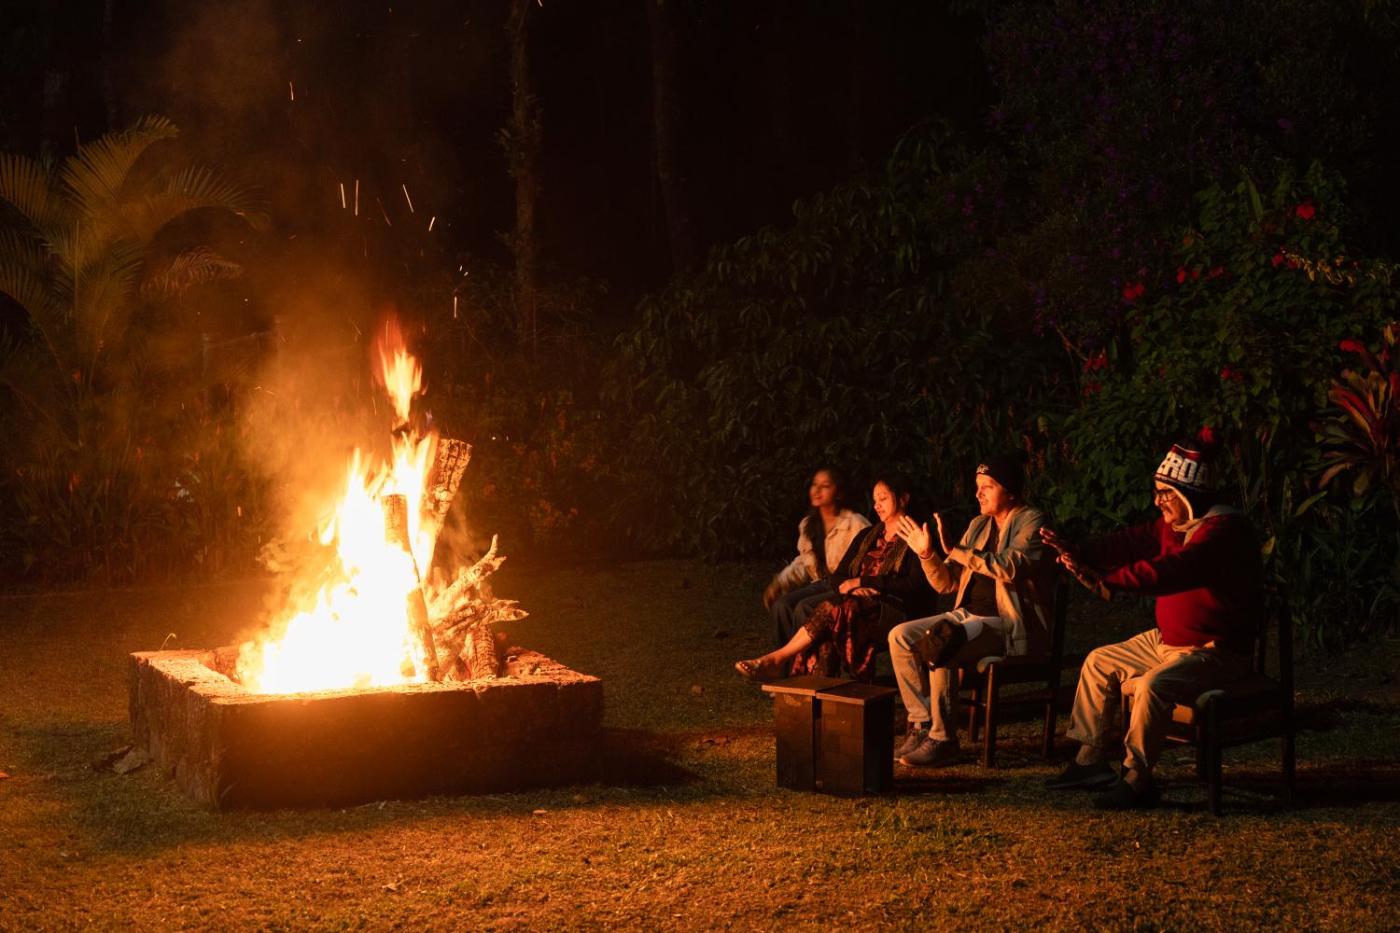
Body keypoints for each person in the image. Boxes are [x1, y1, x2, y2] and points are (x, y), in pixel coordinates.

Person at [1041, 433, 1264, 810]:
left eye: (1166, 494)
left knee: (1152, 686)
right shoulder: (1172, 526)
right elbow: (1129, 542)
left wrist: (1108, 580)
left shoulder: (1224, 532)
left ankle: (1137, 777)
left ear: (1190, 495)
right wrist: (1078, 551)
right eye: (1157, 492)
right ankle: (1090, 760)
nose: (1157, 501)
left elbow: (1175, 569)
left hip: (1215, 650)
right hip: (1167, 640)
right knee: (1099, 661)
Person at [887, 453, 1053, 768]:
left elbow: (1010, 567)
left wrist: (958, 550)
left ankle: (943, 741)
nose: (978, 494)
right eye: (978, 486)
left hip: (1008, 623)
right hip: (967, 617)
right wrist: (927, 555)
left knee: (944, 640)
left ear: (1010, 491)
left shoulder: (1032, 521)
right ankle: (923, 723)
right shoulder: (979, 525)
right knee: (900, 636)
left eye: (987, 486)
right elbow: (947, 582)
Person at [736, 475, 934, 682]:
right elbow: (839, 575)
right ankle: (815, 686)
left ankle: (777, 660)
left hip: (894, 610)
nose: (877, 505)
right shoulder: (868, 535)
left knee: (835, 609)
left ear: (903, 499)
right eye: (875, 500)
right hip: (857, 604)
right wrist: (852, 588)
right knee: (832, 616)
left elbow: (915, 585)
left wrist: (864, 582)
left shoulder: (919, 536)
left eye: (883, 499)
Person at [763, 467, 871, 647]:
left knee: (804, 607)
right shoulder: (809, 525)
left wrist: (860, 584)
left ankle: (807, 661)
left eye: (825, 486)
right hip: (822, 584)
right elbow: (804, 563)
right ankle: (784, 662)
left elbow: (871, 560)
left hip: (845, 586)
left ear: (839, 493)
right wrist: (780, 583)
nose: (817, 490)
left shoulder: (855, 524)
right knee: (782, 605)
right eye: (815, 485)